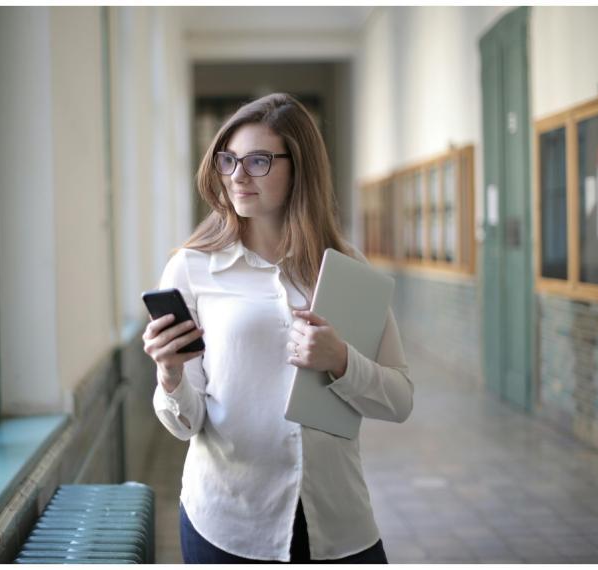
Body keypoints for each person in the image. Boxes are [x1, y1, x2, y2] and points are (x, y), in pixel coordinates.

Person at [142, 93, 413, 563]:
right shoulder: (192, 269)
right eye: (228, 160)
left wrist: (341, 362)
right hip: (228, 522)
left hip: (337, 519)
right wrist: (169, 377)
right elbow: (187, 425)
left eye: (259, 161)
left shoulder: (346, 267)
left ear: (299, 169)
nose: (237, 176)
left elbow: (399, 399)